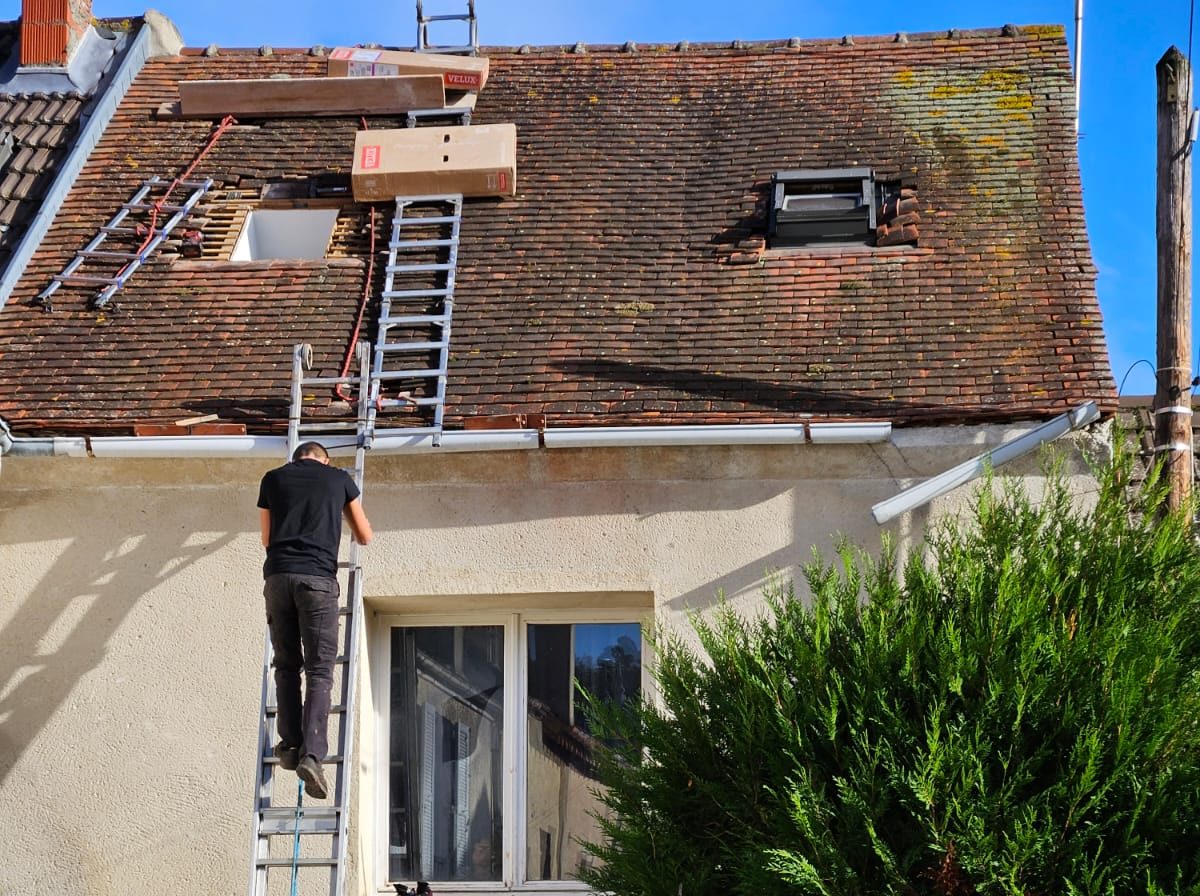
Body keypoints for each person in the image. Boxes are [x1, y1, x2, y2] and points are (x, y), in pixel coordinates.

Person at [257, 441, 373, 799]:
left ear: (296, 457)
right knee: (320, 671)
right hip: (318, 581)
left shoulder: (272, 479)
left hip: (277, 578)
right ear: (325, 459)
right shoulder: (338, 479)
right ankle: (311, 756)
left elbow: (266, 538)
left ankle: (291, 744)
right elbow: (364, 535)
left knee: (287, 665)